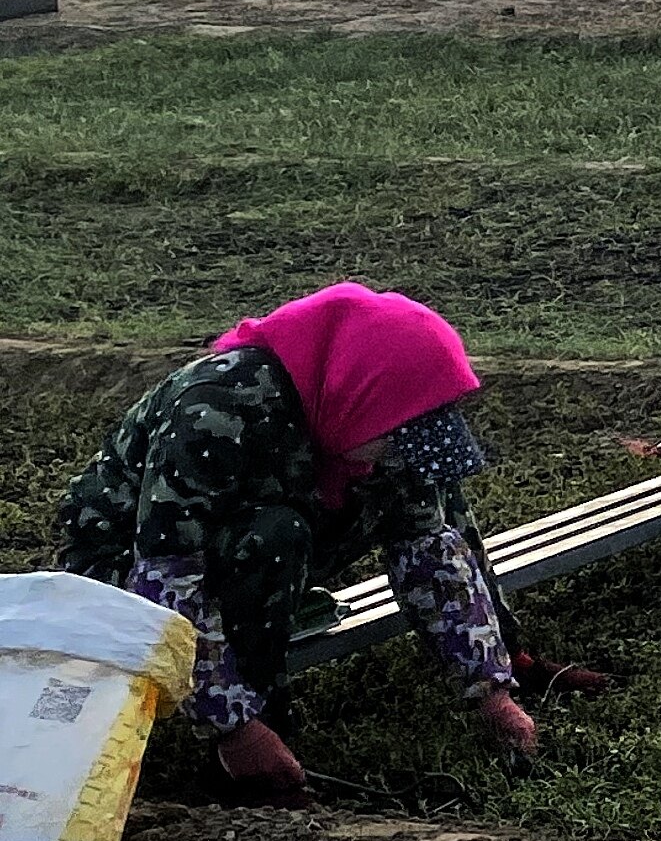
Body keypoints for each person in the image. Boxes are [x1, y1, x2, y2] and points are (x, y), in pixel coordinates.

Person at [51, 284, 536, 805]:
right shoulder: (216, 410)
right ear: (361, 397)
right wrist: (234, 728)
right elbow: (165, 583)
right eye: (399, 439)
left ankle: (254, 710)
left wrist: (492, 688)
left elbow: (429, 554)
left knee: (414, 506)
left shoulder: (371, 426)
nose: (401, 455)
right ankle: (245, 744)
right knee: (274, 535)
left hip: (246, 537)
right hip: (124, 565)